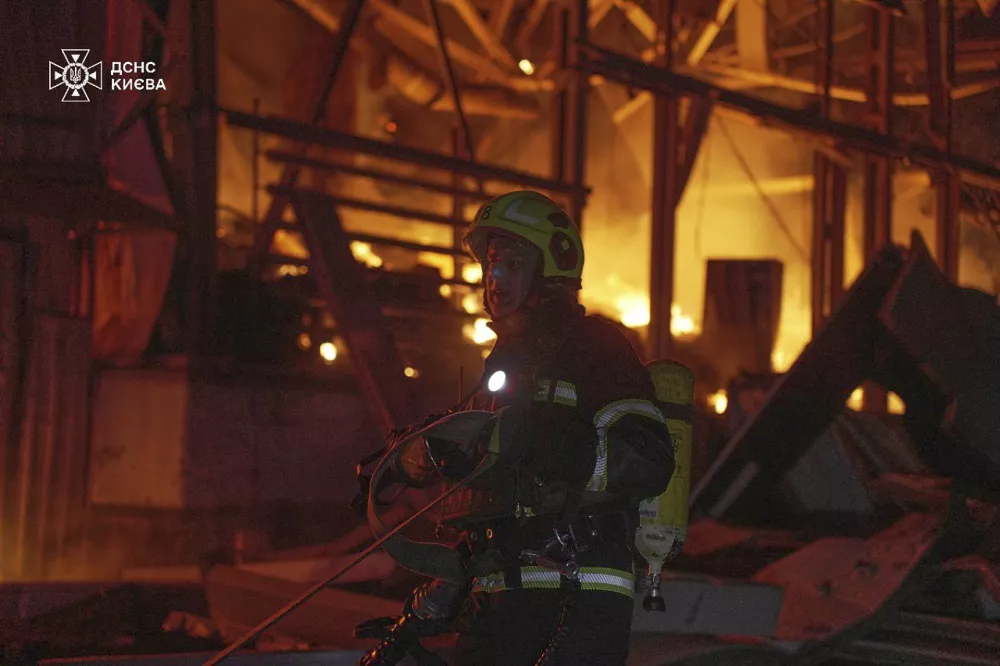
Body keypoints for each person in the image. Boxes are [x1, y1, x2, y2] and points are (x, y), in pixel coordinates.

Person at [358, 190, 675, 666]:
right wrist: (398, 464)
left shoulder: (595, 347)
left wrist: (540, 446)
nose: (496, 278)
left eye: (512, 263)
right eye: (491, 264)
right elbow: (469, 440)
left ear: (552, 269)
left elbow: (647, 459)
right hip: (496, 603)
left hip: (576, 595)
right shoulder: (502, 369)